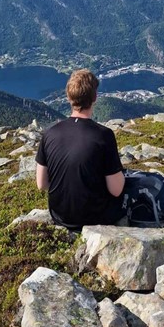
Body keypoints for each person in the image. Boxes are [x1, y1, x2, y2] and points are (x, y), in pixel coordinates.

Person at [35, 69, 126, 228]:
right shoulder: (104, 135)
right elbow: (116, 190)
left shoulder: (49, 134)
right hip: (96, 218)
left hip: (59, 215)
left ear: (69, 98)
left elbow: (41, 184)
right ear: (95, 97)